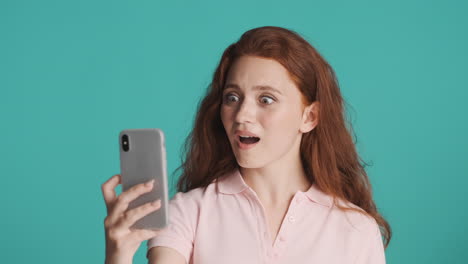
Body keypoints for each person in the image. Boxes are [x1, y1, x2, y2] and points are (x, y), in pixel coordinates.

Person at [101, 26, 392, 264]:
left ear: (309, 116)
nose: (241, 115)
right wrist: (119, 255)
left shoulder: (356, 229)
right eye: (232, 97)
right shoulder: (188, 213)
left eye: (266, 99)